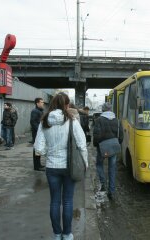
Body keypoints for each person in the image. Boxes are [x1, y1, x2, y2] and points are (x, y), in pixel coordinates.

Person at [34, 93, 88, 240]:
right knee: (68, 201)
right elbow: (82, 145)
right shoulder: (72, 121)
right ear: (66, 105)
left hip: (52, 167)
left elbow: (38, 148)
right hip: (69, 167)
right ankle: (67, 234)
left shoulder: (44, 121)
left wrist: (49, 151)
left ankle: (57, 234)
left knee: (55, 202)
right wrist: (85, 163)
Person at [93, 102, 123, 200]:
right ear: (111, 109)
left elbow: (96, 135)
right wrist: (117, 143)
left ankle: (103, 183)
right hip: (114, 147)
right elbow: (121, 135)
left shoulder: (99, 120)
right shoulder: (117, 121)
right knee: (112, 169)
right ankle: (112, 191)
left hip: (102, 147)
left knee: (99, 165)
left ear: (103, 109)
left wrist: (96, 145)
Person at [30, 98, 45, 171]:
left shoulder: (39, 111)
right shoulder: (35, 111)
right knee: (36, 148)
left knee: (38, 148)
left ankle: (38, 164)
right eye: (41, 102)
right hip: (36, 133)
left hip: (39, 132)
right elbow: (33, 122)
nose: (43, 103)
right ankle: (36, 166)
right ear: (37, 103)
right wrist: (39, 131)